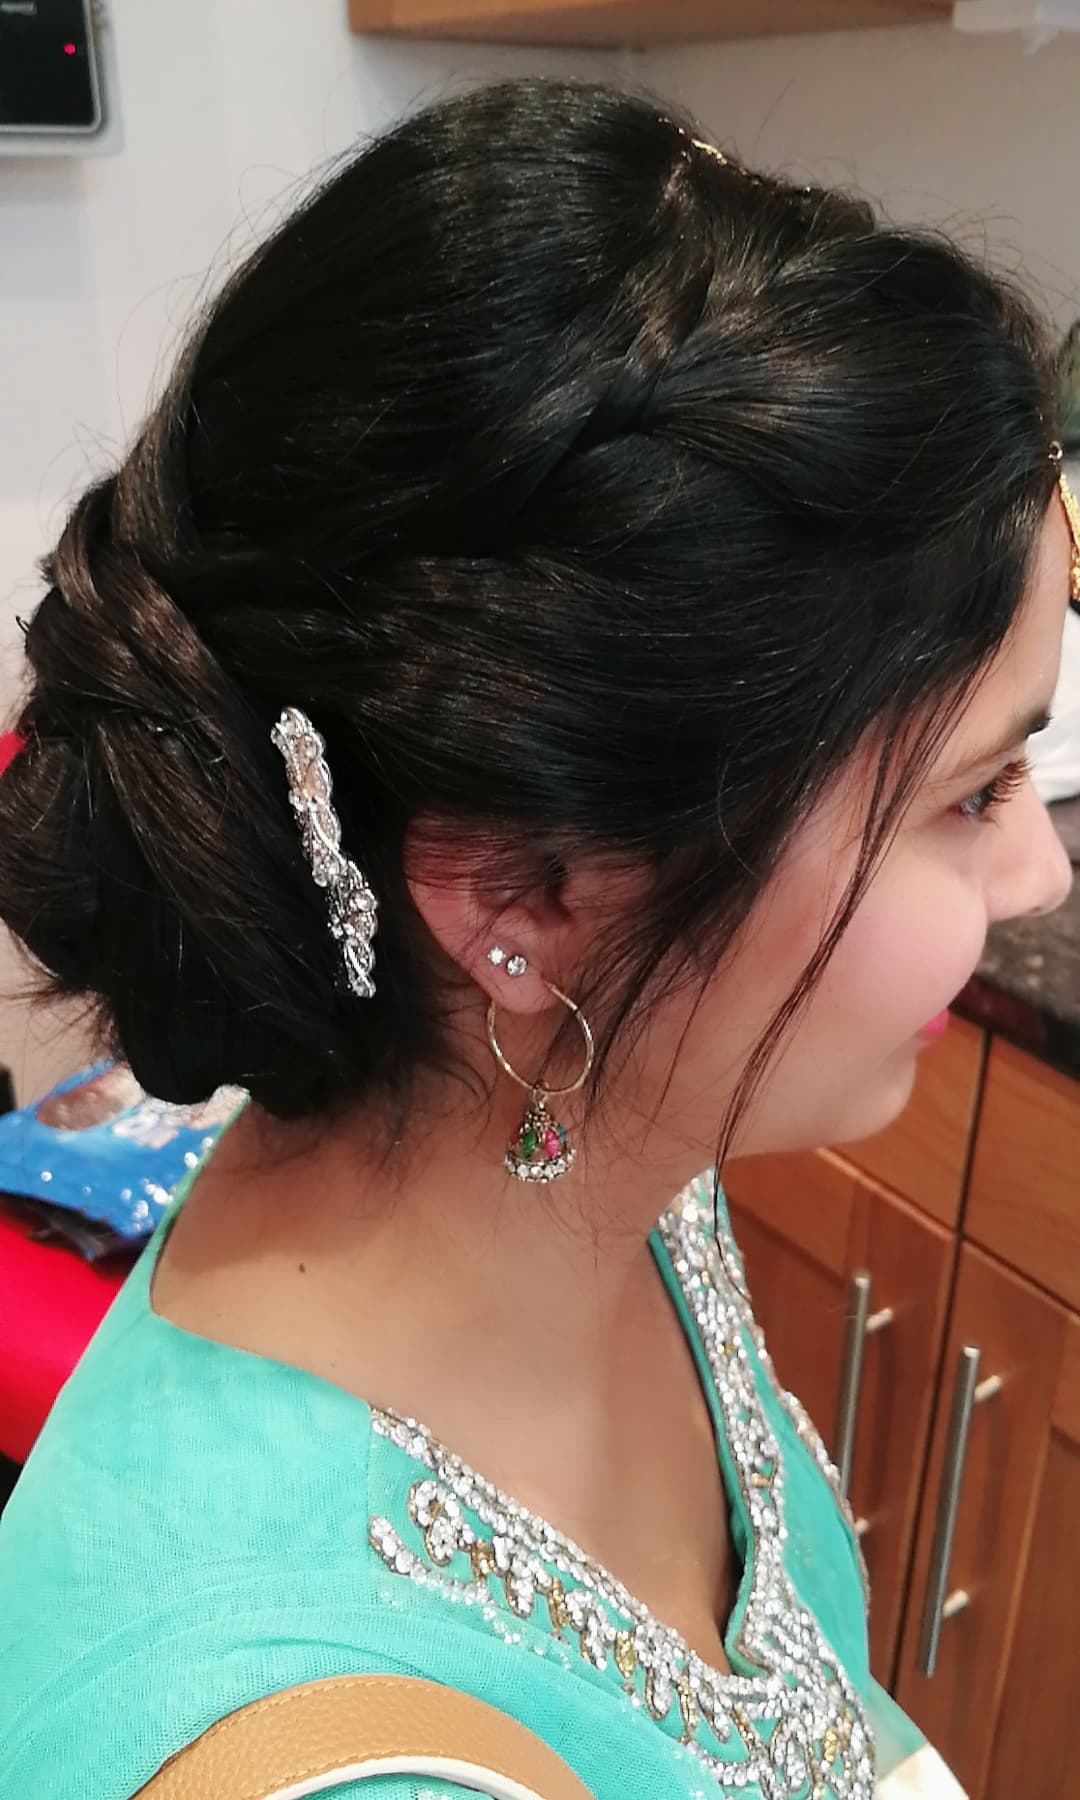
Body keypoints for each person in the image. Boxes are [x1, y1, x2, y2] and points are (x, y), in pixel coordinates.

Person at [0, 76, 1073, 1800]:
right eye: (974, 793)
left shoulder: (599, 1144)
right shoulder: (345, 1768)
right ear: (522, 897)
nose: (1039, 878)